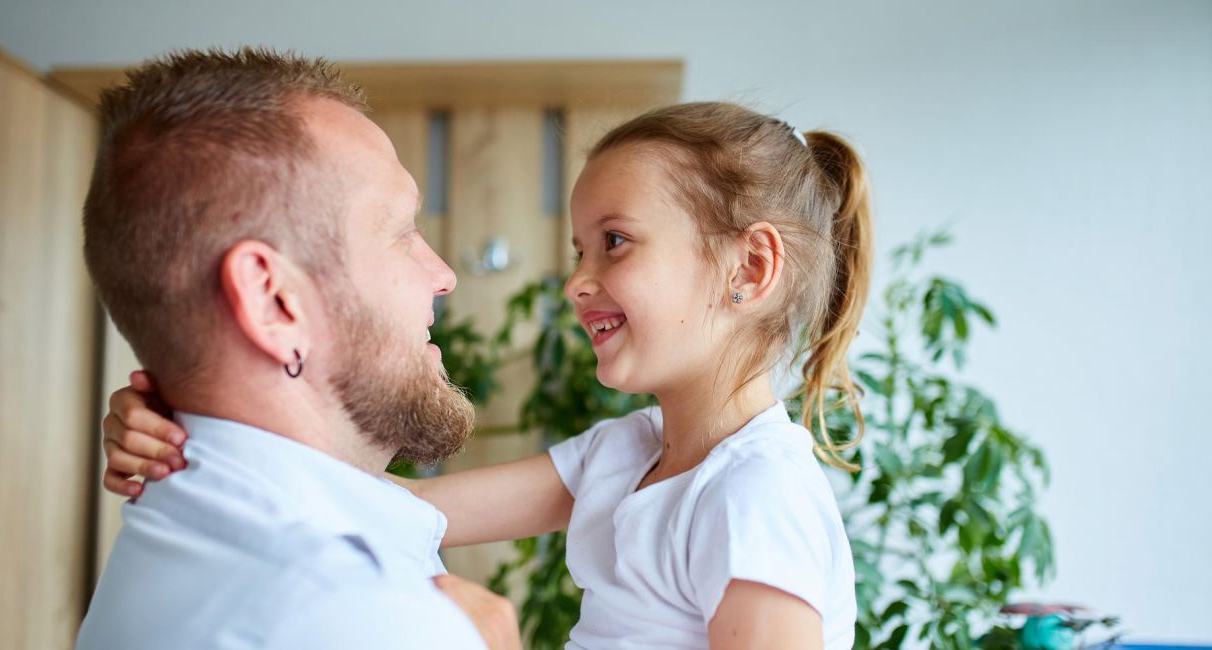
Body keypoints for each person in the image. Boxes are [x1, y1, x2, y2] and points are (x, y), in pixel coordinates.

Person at [106, 101, 874, 649]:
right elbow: (404, 507)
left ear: (750, 266)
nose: (577, 281)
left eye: (614, 242)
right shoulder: (625, 454)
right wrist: (196, 426)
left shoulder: (757, 496)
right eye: (580, 249)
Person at [75, 47, 518, 650]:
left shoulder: (190, 526)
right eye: (401, 233)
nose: (443, 275)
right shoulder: (358, 619)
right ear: (273, 302)